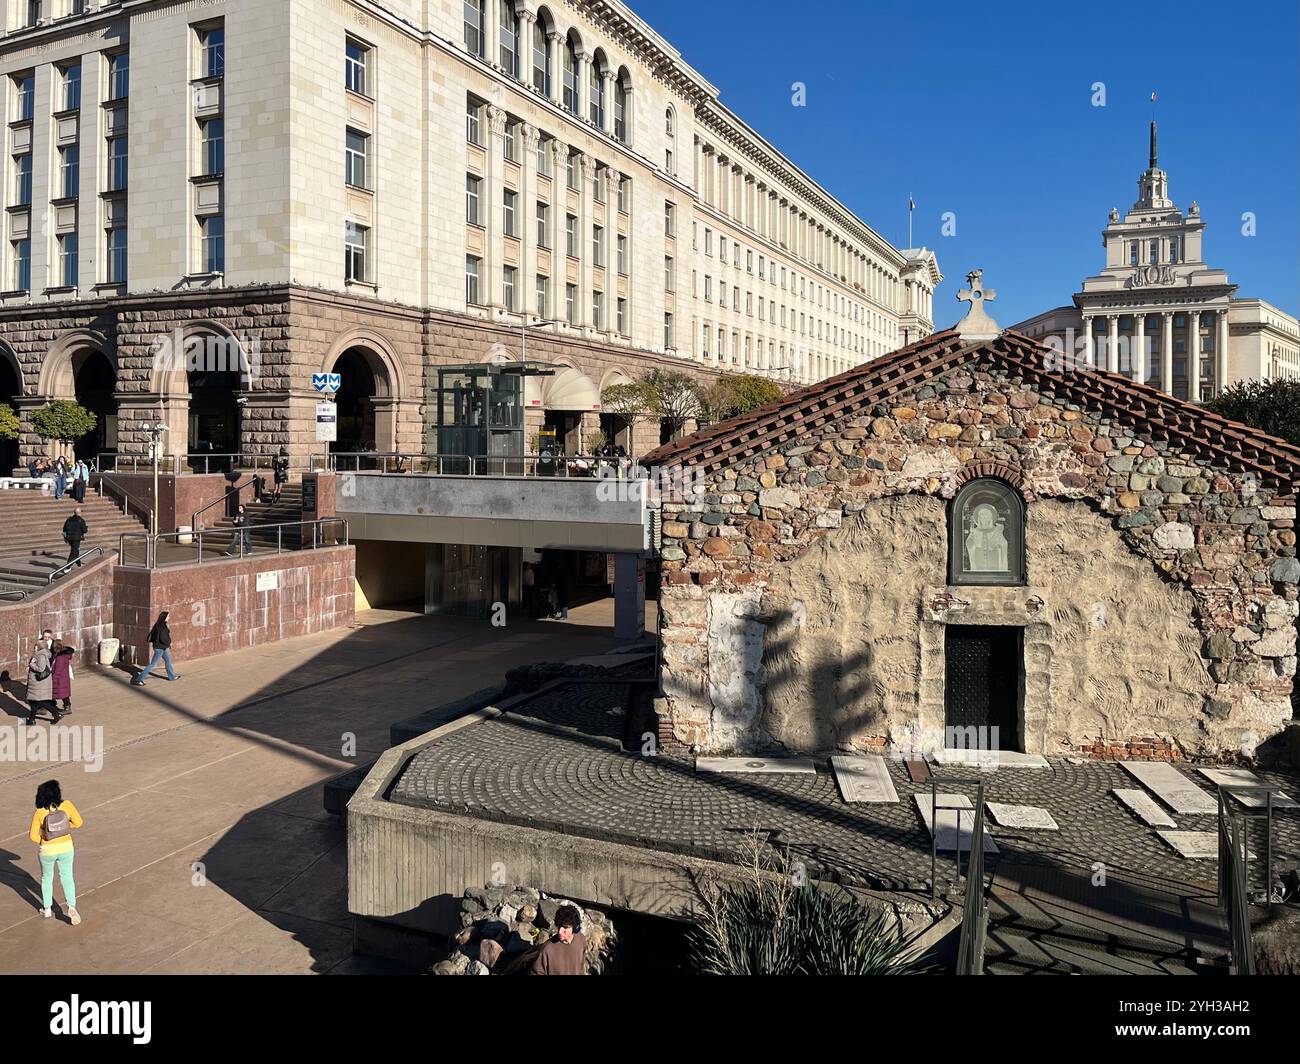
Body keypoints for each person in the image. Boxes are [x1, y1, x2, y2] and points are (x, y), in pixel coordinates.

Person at [29, 780, 82, 924]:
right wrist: (64, 828)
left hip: (47, 851)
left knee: (47, 878)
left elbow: (33, 836)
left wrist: (46, 836)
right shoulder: (67, 805)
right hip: (66, 847)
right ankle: (71, 907)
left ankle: (47, 909)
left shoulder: (40, 812)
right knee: (67, 876)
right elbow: (79, 822)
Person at [529, 905, 587, 975]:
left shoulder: (581, 941)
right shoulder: (547, 949)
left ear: (575, 928)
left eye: (565, 927)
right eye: (559, 926)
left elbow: (581, 969)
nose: (560, 931)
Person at [131, 611, 179, 687]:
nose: (169, 617)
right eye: (168, 616)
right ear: (164, 618)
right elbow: (163, 638)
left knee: (168, 661)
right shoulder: (163, 626)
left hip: (161, 647)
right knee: (152, 664)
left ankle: (172, 676)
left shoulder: (157, 624)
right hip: (160, 648)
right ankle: (138, 680)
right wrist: (169, 643)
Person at [25, 640, 57, 726]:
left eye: (36, 646)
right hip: (36, 682)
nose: (34, 647)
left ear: (39, 647)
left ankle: (57, 714)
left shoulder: (41, 656)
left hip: (38, 683)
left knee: (38, 702)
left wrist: (31, 664)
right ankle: (31, 720)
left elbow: (41, 669)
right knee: (34, 702)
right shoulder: (39, 655)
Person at [50, 639, 74, 719]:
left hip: (60, 679)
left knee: (61, 693)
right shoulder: (62, 655)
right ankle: (67, 707)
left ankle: (65, 708)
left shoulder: (60, 657)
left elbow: (58, 670)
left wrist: (53, 679)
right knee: (64, 694)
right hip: (63, 679)